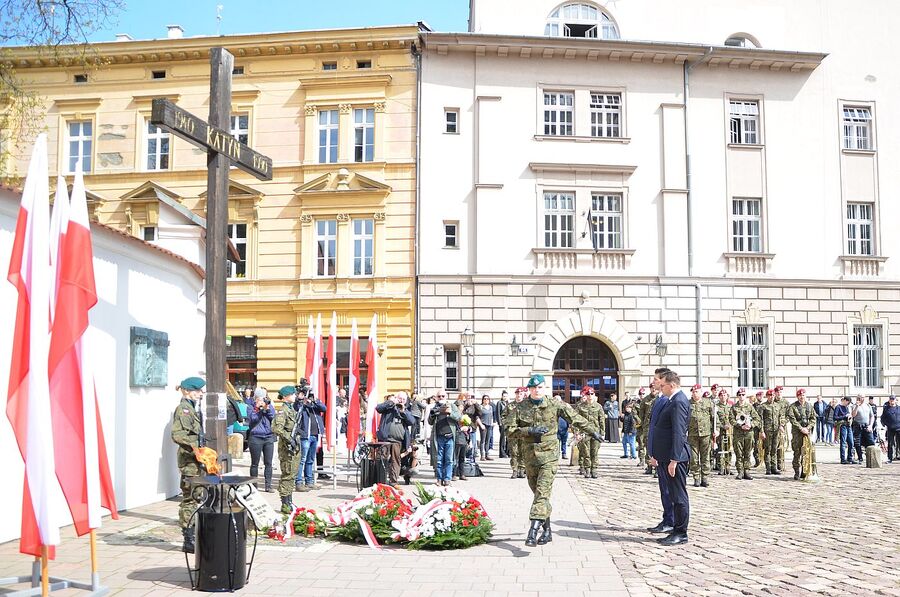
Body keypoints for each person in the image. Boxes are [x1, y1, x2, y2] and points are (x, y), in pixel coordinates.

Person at [507, 374, 601, 547]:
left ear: (544, 387)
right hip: (529, 456)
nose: (536, 390)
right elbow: (508, 429)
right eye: (533, 388)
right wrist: (528, 431)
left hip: (549, 456)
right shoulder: (520, 407)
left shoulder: (555, 404)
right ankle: (547, 531)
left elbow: (575, 418)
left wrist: (593, 431)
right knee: (539, 494)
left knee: (542, 492)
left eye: (539, 387)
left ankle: (532, 531)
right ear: (529, 389)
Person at [649, 370, 690, 546]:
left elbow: (679, 433)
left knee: (679, 496)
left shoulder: (679, 401)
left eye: (663, 384)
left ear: (672, 385)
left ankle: (681, 532)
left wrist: (674, 460)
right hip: (667, 456)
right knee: (673, 495)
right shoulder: (672, 400)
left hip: (676, 458)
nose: (661, 387)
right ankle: (675, 529)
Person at [170, 376, 205, 553]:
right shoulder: (184, 409)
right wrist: (196, 448)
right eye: (197, 391)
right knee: (190, 499)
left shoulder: (192, 408)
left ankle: (194, 535)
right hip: (189, 461)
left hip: (196, 460)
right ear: (187, 391)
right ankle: (188, 539)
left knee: (197, 496)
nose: (201, 393)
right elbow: (177, 435)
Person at [646, 368, 674, 535]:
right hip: (658, 451)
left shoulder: (667, 401)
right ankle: (667, 519)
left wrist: (656, 452)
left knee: (668, 490)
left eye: (656, 379)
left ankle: (670, 521)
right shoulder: (660, 399)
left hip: (665, 453)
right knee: (664, 489)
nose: (654, 382)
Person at [375, 391, 416, 485]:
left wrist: (403, 411)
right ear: (396, 398)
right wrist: (391, 402)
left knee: (396, 461)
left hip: (397, 440)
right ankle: (380, 481)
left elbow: (412, 421)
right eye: (400, 398)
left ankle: (393, 482)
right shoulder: (389, 406)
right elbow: (378, 408)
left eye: (403, 399)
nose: (401, 401)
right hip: (385, 439)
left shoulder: (406, 409)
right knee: (381, 459)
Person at [272, 385, 300, 513]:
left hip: (294, 447)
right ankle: (285, 504)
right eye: (293, 394)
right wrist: (290, 439)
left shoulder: (291, 409)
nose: (295, 396)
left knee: (292, 475)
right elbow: (277, 429)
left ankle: (289, 501)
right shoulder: (283, 411)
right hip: (286, 448)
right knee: (287, 475)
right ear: (285, 397)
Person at [247, 387, 276, 492]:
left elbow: (273, 418)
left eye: (263, 398)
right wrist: (258, 409)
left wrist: (267, 409)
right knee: (255, 463)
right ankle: (254, 486)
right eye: (259, 398)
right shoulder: (250, 407)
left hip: (268, 437)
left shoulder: (269, 406)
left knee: (268, 463)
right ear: (255, 399)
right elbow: (253, 420)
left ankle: (268, 485)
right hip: (255, 438)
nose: (261, 400)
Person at [428, 395, 460, 485]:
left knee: (449, 459)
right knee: (438, 459)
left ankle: (447, 479)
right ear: (437, 397)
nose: (441, 397)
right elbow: (429, 421)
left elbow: (458, 417)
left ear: (446, 396)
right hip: (439, 437)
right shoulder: (435, 407)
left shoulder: (452, 406)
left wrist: (450, 412)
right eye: (439, 396)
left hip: (450, 437)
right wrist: (433, 413)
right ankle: (439, 478)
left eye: (443, 396)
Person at [687, 384, 715, 488]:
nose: (695, 394)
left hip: (706, 434)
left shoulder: (708, 403)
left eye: (696, 392)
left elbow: (714, 418)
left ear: (701, 392)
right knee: (694, 458)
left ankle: (705, 477)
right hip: (692, 434)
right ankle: (696, 477)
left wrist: (716, 429)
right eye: (693, 392)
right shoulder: (688, 403)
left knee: (705, 457)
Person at [729, 389, 761, 480]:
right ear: (737, 396)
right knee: (738, 453)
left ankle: (746, 471)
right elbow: (731, 419)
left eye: (743, 394)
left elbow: (757, 419)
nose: (741, 396)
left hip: (748, 433)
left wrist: (751, 425)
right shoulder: (734, 407)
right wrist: (740, 425)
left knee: (747, 452)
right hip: (738, 433)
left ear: (745, 396)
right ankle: (740, 471)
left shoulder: (750, 407)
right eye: (739, 394)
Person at [574, 386, 605, 478]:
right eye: (588, 394)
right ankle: (587, 469)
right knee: (586, 453)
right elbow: (575, 421)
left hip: (596, 432)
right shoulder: (580, 407)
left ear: (594, 395)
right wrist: (577, 433)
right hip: (584, 433)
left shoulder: (598, 406)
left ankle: (594, 469)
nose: (590, 396)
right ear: (585, 395)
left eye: (592, 394)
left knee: (594, 452)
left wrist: (602, 433)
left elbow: (602, 420)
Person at [786, 388, 816, 479]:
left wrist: (808, 428)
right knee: (797, 452)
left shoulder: (809, 406)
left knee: (806, 452)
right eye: (800, 395)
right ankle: (796, 471)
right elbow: (792, 419)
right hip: (797, 433)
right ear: (797, 397)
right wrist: (801, 428)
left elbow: (813, 419)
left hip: (807, 432)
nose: (802, 397)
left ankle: (804, 471)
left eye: (803, 395)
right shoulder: (793, 406)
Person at [502, 387, 527, 478]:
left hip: (523, 432)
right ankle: (515, 470)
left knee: (523, 451)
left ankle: (522, 470)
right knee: (513, 452)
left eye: (520, 394)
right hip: (512, 433)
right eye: (517, 394)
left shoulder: (526, 406)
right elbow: (503, 416)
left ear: (523, 395)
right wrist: (507, 426)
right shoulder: (510, 405)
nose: (518, 395)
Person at [759, 389, 780, 475]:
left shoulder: (777, 405)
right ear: (767, 396)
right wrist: (761, 431)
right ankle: (768, 468)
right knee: (767, 449)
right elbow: (760, 419)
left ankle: (774, 467)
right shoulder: (763, 406)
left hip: (776, 430)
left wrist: (781, 425)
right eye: (770, 395)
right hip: (767, 430)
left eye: (773, 395)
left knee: (774, 449)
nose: (771, 397)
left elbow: (780, 416)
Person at [851, 394, 875, 463]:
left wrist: (870, 425)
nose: (862, 399)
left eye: (863, 397)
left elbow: (872, 416)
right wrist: (857, 406)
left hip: (866, 426)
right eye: (860, 397)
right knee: (857, 443)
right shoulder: (854, 406)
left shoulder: (868, 405)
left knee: (871, 442)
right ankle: (860, 458)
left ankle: (871, 458)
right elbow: (853, 415)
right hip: (858, 426)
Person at [714, 389, 732, 475]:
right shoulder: (716, 407)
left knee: (729, 449)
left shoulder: (730, 407)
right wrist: (722, 426)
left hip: (729, 431)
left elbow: (733, 417)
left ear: (727, 396)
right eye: (721, 395)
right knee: (720, 449)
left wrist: (730, 425)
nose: (723, 397)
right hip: (720, 431)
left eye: (724, 395)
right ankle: (721, 467)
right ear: (719, 396)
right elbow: (715, 419)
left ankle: (728, 467)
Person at [834, 396, 856, 464]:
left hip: (848, 425)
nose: (848, 404)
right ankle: (843, 459)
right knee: (843, 442)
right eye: (848, 402)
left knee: (851, 442)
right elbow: (835, 417)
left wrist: (849, 416)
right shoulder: (838, 407)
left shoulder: (846, 407)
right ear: (845, 400)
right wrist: (844, 416)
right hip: (842, 425)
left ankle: (850, 458)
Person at [880, 395, 900, 462]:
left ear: (895, 400)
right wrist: (885, 424)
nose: (892, 401)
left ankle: (898, 456)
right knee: (890, 444)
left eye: (893, 399)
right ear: (889, 400)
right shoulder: (886, 409)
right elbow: (883, 418)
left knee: (899, 443)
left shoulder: (899, 408)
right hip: (890, 428)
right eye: (891, 399)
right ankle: (890, 458)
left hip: (899, 428)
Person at [479, 394, 495, 460]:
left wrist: (492, 422)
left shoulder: (490, 407)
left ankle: (487, 454)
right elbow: (478, 417)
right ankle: (482, 455)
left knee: (488, 440)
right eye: (485, 399)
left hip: (489, 425)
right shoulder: (481, 407)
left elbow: (491, 416)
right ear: (482, 400)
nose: (486, 400)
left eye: (487, 399)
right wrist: (480, 424)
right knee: (483, 440)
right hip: (483, 424)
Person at [496, 390, 510, 458]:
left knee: (508, 437)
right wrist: (499, 422)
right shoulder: (499, 403)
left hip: (508, 422)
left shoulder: (508, 403)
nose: (505, 397)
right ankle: (502, 453)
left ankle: (508, 452)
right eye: (504, 396)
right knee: (502, 438)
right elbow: (498, 413)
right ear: (502, 396)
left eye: (506, 396)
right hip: (502, 422)